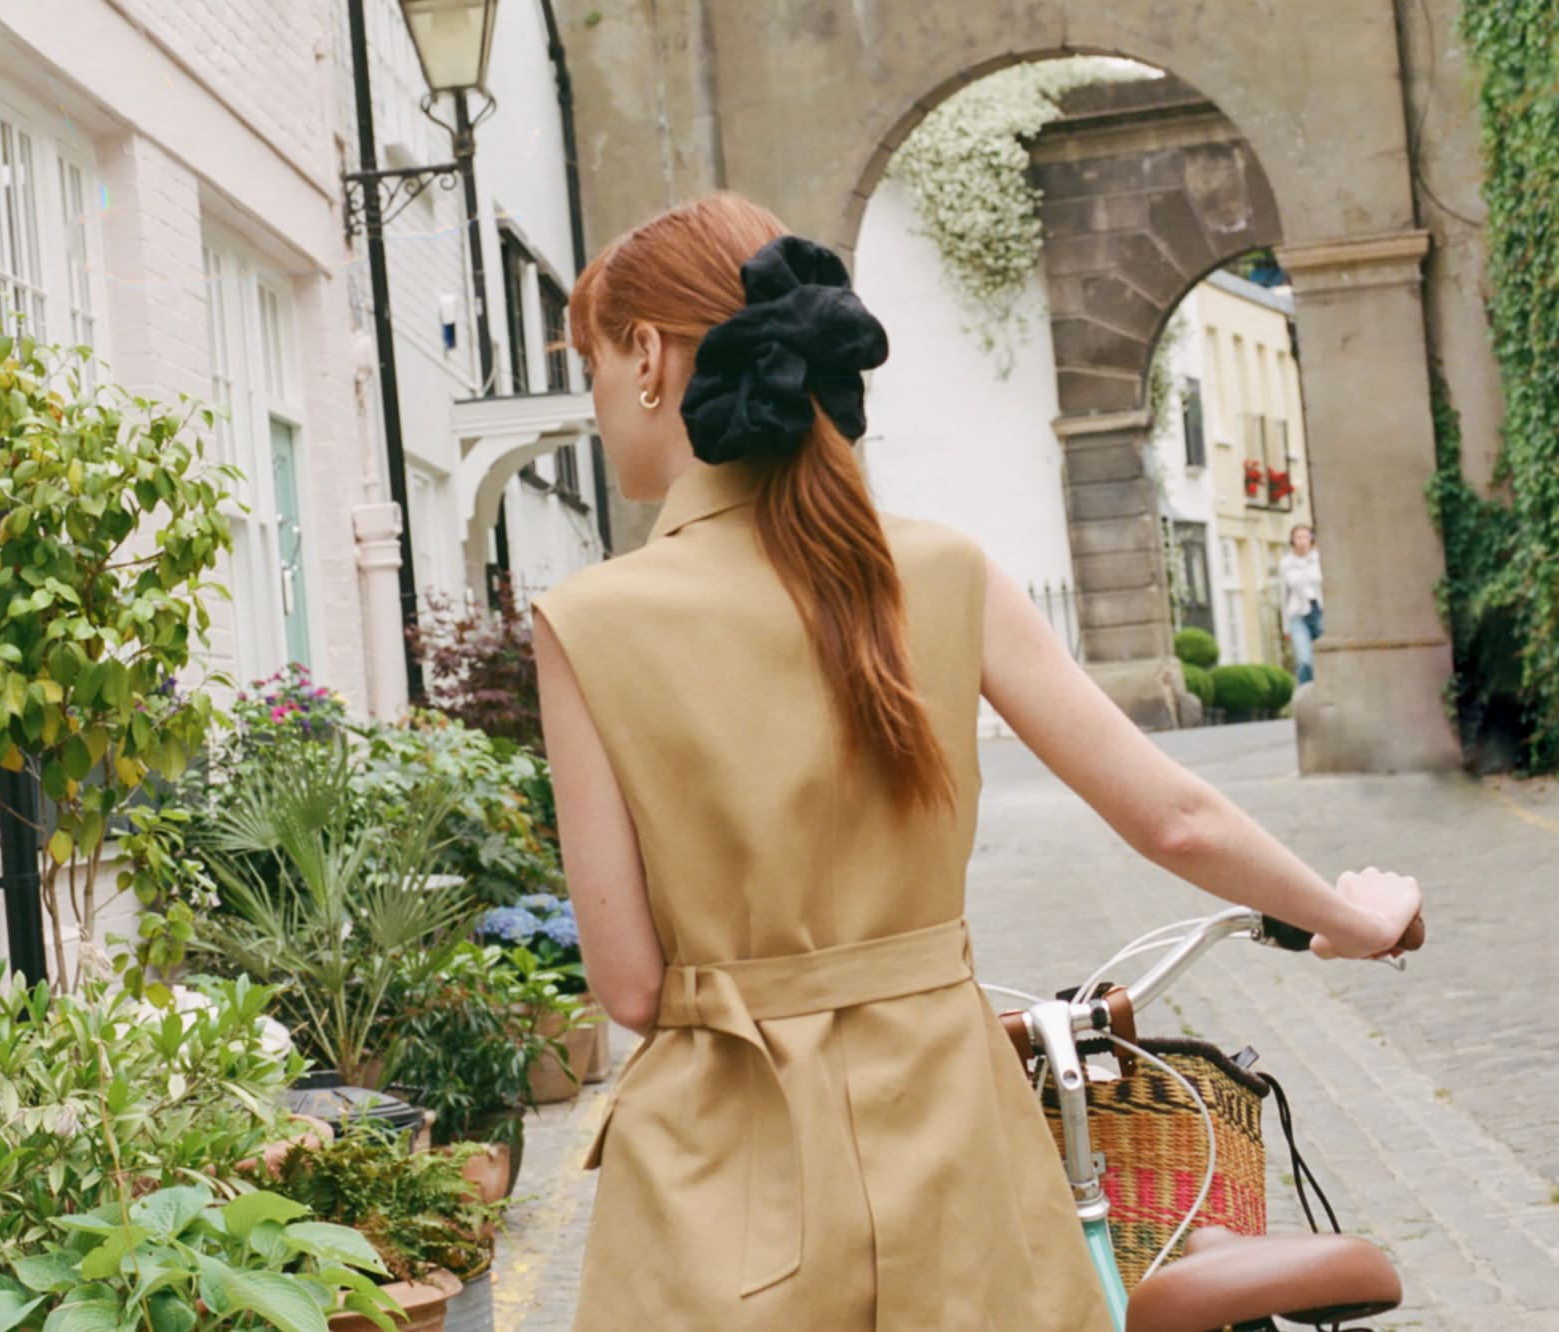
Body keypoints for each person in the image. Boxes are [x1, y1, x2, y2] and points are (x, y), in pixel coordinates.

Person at [530, 194, 1423, 1329]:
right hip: (954, 1150)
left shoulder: (591, 621)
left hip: (722, 1184)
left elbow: (631, 988)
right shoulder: (941, 571)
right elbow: (1174, 819)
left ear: (649, 358)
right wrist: (1346, 917)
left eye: (596, 363)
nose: (600, 401)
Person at [1281, 524, 1325, 685]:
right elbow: (1284, 596)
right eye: (1298, 537)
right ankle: (1306, 695)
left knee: (1326, 657)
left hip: (1319, 610)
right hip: (1298, 614)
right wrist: (1286, 627)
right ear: (1292, 541)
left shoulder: (1319, 560)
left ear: (1311, 539)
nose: (1302, 541)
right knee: (1305, 660)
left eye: (1305, 537)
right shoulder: (1286, 564)